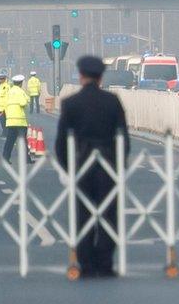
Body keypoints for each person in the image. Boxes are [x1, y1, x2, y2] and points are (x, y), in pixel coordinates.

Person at [55, 56, 130, 278]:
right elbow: (123, 137)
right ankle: (105, 263)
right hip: (108, 163)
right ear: (101, 77)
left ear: (81, 75)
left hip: (82, 164)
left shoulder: (71, 103)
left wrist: (69, 167)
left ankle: (86, 263)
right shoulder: (112, 101)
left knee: (83, 215)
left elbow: (61, 141)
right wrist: (120, 164)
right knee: (109, 214)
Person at [2, 74, 31, 163]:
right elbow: (23, 103)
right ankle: (26, 159)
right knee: (23, 141)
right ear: (21, 83)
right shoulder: (20, 91)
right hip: (20, 121)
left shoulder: (9, 92)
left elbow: (5, 104)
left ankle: (5, 158)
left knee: (9, 141)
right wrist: (26, 99)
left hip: (10, 121)